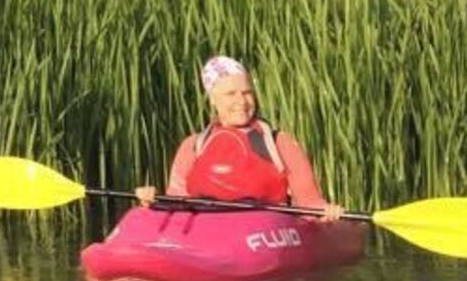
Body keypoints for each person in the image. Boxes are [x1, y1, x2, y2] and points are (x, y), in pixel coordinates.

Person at [134, 56, 344, 222]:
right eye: (230, 94)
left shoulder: (279, 143)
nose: (241, 101)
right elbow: (177, 202)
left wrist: (325, 213)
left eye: (247, 93)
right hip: (207, 228)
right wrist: (152, 201)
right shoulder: (193, 146)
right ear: (213, 99)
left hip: (264, 228)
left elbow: (309, 202)